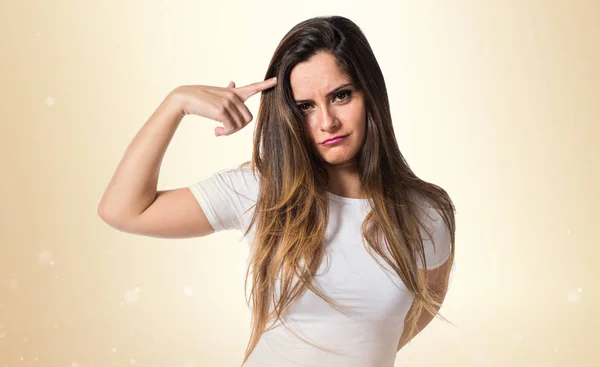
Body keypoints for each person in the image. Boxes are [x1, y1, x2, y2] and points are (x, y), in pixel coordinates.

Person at [98, 15, 456, 367]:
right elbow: (123, 210)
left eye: (342, 96)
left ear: (370, 95)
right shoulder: (263, 192)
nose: (327, 121)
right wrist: (175, 104)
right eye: (305, 107)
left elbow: (425, 303)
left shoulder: (426, 211)